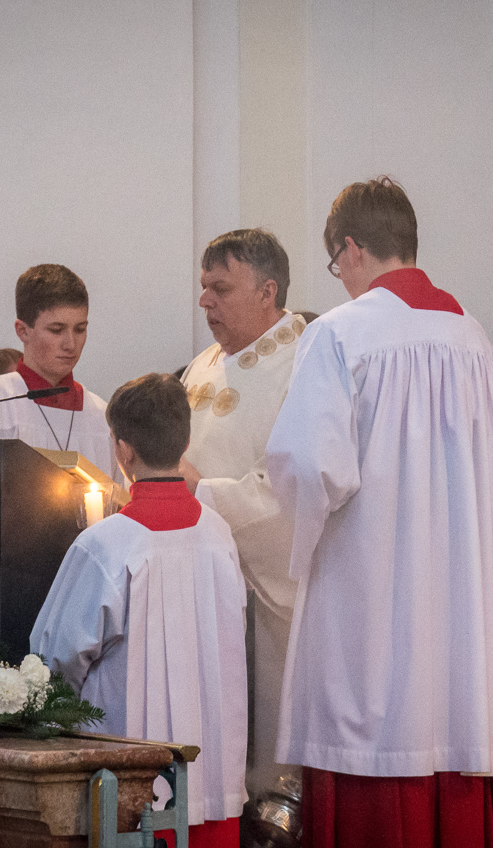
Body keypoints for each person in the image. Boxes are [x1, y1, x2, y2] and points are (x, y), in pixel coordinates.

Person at [265, 177, 493, 848]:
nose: (339, 277)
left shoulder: (342, 334)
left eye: (334, 262)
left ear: (351, 247)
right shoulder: (475, 340)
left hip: (372, 598)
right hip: (460, 606)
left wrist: (289, 530)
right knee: (448, 725)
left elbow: (312, 467)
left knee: (374, 732)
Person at [31, 373, 248, 848]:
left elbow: (56, 657)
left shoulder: (105, 545)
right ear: (185, 440)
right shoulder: (219, 534)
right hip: (210, 766)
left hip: (128, 782)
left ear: (122, 449)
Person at [177, 228, 305, 798]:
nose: (205, 301)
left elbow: (294, 489)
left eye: (220, 289)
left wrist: (198, 494)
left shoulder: (306, 361)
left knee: (268, 763)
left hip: (271, 593)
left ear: (267, 291)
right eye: (204, 287)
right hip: (196, 581)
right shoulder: (203, 363)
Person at [0, 264, 118, 480]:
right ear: (23, 331)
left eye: (80, 329)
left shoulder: (102, 419)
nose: (70, 344)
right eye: (56, 330)